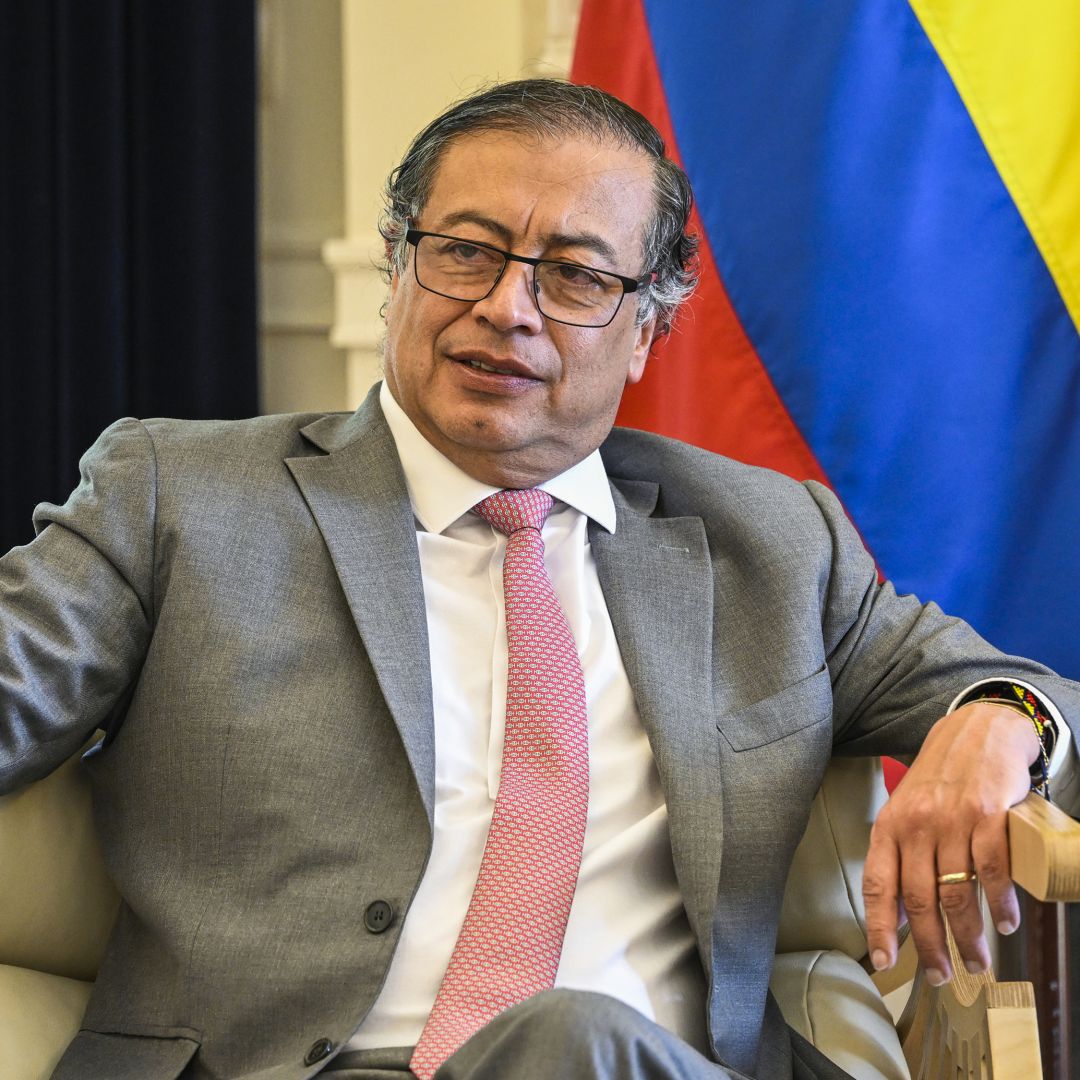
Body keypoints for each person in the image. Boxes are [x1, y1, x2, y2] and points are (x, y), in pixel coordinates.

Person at [1, 78, 1077, 1080]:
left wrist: (1003, 716)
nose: (507, 308)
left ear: (648, 326)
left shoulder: (771, 545)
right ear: (396, 269)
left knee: (575, 1039)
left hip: (631, 1065)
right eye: (466, 252)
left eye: (574, 277)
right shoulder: (180, 496)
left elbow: (1034, 694)